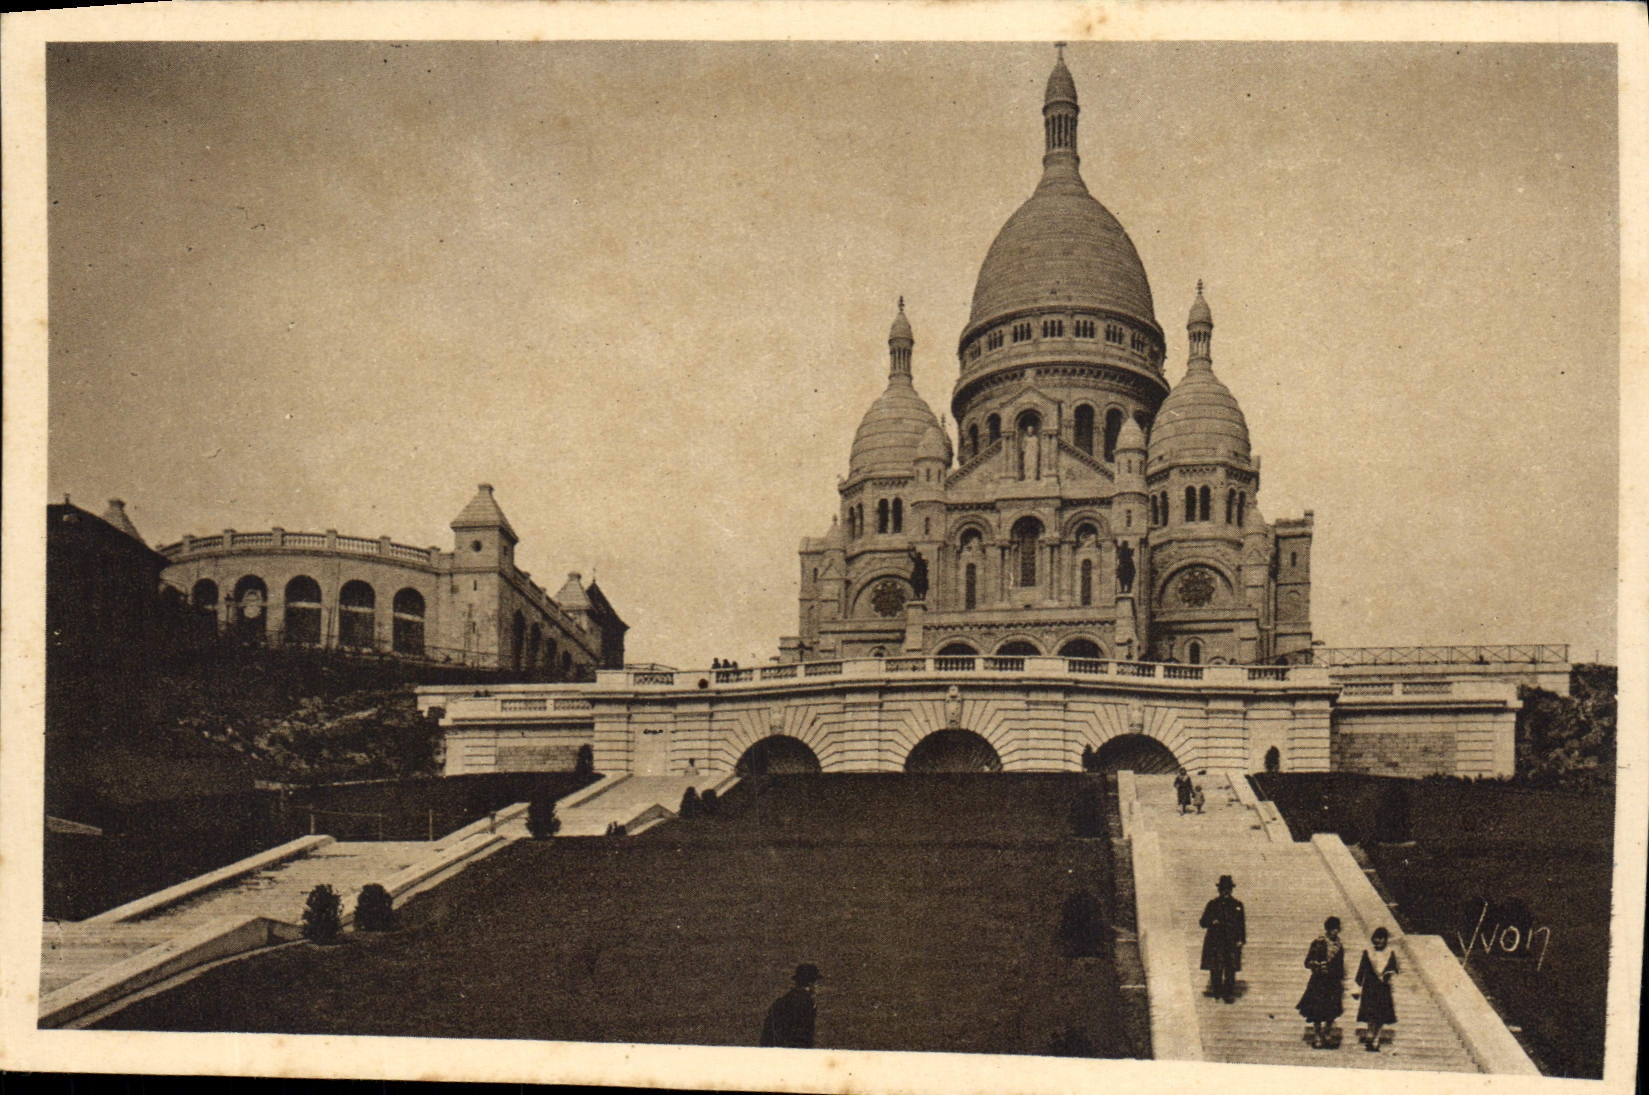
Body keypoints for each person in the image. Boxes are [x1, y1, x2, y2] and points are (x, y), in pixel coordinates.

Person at [1298, 916, 1347, 1048]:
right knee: (1317, 1010)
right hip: (1319, 981)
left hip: (1333, 982)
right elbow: (1307, 962)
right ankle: (1318, 1034)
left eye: (1337, 929)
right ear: (1327, 929)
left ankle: (1327, 1033)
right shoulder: (1318, 943)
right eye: (1332, 929)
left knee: (1331, 1010)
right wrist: (1315, 964)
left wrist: (1342, 981)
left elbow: (1341, 965)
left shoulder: (1339, 946)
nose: (1335, 932)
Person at [1199, 875, 1245, 1002]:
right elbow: (1203, 922)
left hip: (1231, 940)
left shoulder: (1237, 905)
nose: (1226, 892)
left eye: (1228, 889)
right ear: (1219, 890)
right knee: (1215, 968)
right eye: (1223, 889)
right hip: (1216, 940)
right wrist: (1212, 921)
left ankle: (1228, 993)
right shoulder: (1213, 904)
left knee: (1230, 968)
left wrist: (1241, 939)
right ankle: (1217, 991)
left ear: (1231, 890)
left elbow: (1241, 924)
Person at [1355, 927, 1400, 1051]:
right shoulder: (1368, 952)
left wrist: (1389, 975)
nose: (1379, 941)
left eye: (1382, 938)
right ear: (1373, 939)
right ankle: (1370, 1034)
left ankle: (1377, 1038)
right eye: (1376, 938)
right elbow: (1361, 969)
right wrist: (1357, 986)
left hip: (1383, 987)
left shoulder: (1390, 953)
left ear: (1386, 940)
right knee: (1370, 1013)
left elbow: (1394, 969)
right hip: (1370, 987)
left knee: (1381, 1014)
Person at [760, 963, 820, 1048]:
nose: (818, 987)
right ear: (811, 984)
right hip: (793, 1051)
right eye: (817, 983)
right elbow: (801, 1034)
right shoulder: (804, 1002)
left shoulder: (787, 999)